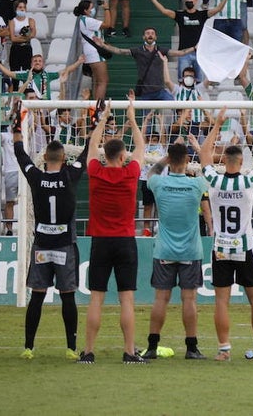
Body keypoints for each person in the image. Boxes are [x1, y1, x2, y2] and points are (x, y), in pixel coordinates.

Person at [197, 120, 253, 362]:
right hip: (244, 245)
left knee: (222, 300)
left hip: (221, 246)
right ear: (241, 162)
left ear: (224, 161)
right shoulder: (247, 181)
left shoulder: (214, 180)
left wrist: (217, 125)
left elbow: (203, 155)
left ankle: (224, 350)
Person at [80, 97, 146, 364]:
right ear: (122, 156)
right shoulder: (130, 173)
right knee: (126, 300)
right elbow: (140, 146)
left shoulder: (95, 171)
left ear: (104, 157)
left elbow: (92, 146)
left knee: (96, 298)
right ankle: (130, 352)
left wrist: (103, 118)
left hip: (100, 241)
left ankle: (88, 352)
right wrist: (131, 118)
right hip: (125, 241)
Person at [15, 120, 85, 361]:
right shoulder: (70, 176)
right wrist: (97, 124)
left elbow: (21, 156)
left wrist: (16, 131)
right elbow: (86, 155)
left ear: (44, 156)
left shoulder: (35, 177)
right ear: (64, 157)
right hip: (64, 245)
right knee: (68, 296)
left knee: (37, 296)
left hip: (42, 246)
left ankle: (28, 347)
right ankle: (71, 348)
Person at [141, 143, 208, 361]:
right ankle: (191, 348)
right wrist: (199, 149)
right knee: (189, 299)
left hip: (164, 250)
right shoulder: (196, 185)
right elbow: (209, 170)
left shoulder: (159, 183)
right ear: (187, 160)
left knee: (160, 299)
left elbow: (151, 172)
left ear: (170, 159)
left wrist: (165, 160)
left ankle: (152, 346)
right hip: (190, 250)